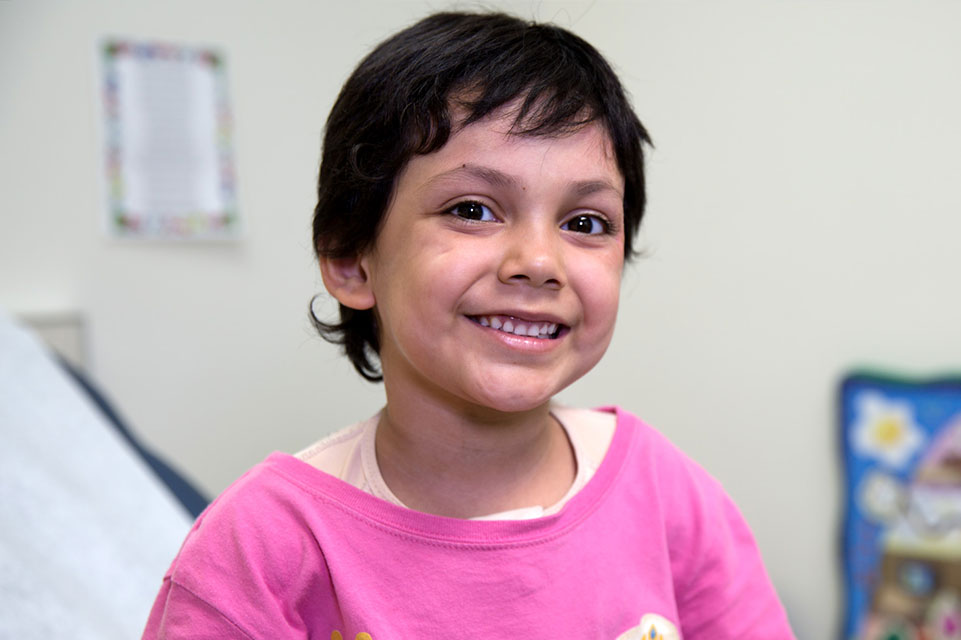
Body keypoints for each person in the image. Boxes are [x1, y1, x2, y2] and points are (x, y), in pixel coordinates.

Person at [143, 11, 796, 639]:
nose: (539, 262)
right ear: (351, 260)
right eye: (473, 209)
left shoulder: (664, 494)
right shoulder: (264, 546)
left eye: (586, 223)